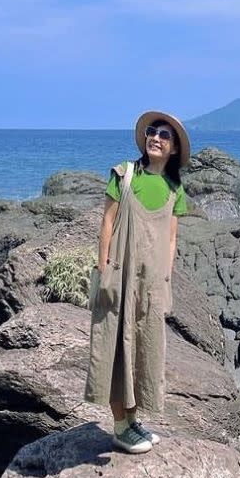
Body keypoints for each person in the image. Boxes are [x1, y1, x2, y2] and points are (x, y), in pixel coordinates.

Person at [83, 110, 191, 453]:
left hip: (150, 284)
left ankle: (132, 420)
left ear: (174, 148)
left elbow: (171, 239)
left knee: (143, 348)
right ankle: (119, 427)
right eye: (152, 132)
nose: (155, 137)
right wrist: (104, 271)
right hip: (120, 275)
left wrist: (165, 278)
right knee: (114, 348)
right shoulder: (124, 174)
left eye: (164, 135)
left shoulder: (175, 189)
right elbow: (107, 223)